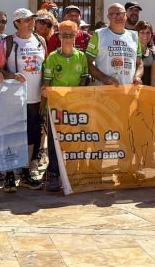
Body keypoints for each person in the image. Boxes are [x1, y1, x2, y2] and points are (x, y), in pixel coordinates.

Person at [0, 8, 46, 192]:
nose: (31, 23)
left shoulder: (40, 41)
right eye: (26, 20)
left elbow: (44, 67)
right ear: (17, 23)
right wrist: (11, 75)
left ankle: (24, 172)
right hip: (13, 98)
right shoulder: (8, 42)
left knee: (32, 135)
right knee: (12, 134)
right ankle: (9, 174)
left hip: (34, 97)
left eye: (32, 19)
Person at [41, 20, 90, 193]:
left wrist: (81, 95)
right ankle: (53, 174)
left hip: (75, 108)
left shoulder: (81, 57)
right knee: (55, 144)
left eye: (71, 35)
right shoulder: (53, 58)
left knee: (74, 141)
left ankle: (71, 172)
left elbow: (84, 79)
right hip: (56, 108)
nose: (68, 38)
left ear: (77, 35)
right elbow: (46, 82)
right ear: (59, 36)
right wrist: (45, 92)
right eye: (64, 35)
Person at [87, 3, 143, 86]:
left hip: (128, 91)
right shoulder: (98, 35)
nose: (118, 16)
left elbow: (139, 63)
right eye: (113, 14)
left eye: (121, 13)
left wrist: (137, 77)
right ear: (108, 16)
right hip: (105, 92)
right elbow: (88, 63)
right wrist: (104, 78)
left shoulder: (134, 36)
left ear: (126, 15)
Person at [135, 20, 155, 86]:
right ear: (137, 34)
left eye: (148, 32)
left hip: (149, 93)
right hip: (133, 92)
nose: (145, 35)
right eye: (142, 32)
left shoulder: (154, 54)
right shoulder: (131, 52)